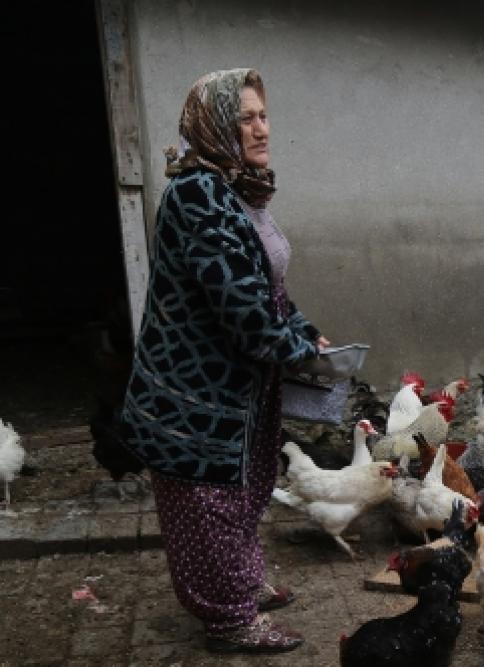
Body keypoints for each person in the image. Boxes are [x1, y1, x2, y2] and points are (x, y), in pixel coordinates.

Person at [119, 68, 329, 653]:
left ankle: (242, 583)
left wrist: (305, 333)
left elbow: (268, 286)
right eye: (245, 118)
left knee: (242, 494)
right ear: (214, 125)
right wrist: (295, 352)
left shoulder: (237, 187)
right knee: (206, 506)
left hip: (240, 391)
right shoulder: (196, 195)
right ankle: (228, 617)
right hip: (196, 399)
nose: (261, 128)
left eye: (263, 115)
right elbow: (241, 308)